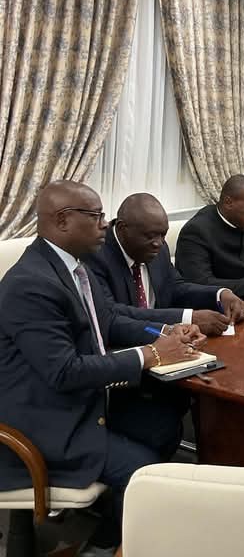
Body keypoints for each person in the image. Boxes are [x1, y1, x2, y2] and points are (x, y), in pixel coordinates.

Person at [0, 181, 204, 554]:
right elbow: (65, 372)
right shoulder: (30, 285)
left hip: (83, 403)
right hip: (43, 422)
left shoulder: (74, 267)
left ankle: (108, 529)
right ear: (63, 220)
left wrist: (166, 333)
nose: (104, 225)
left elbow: (107, 321)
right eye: (95, 216)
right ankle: (104, 545)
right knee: (144, 473)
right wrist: (151, 354)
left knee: (164, 426)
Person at [84, 193, 244, 336]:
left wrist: (219, 294)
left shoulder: (158, 248)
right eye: (150, 236)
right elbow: (112, 312)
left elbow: (175, 288)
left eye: (163, 235)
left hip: (169, 341)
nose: (159, 243)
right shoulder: (95, 254)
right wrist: (188, 318)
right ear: (122, 228)